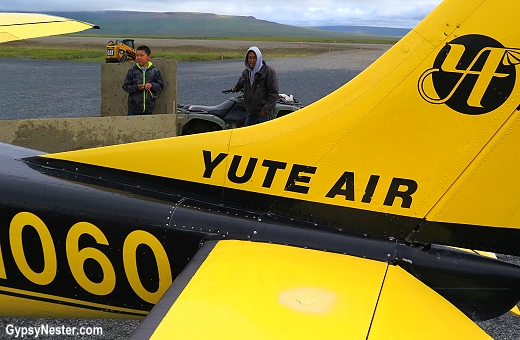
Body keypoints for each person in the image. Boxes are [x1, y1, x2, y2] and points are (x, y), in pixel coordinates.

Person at [232, 46, 279, 126]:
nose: (252, 60)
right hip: (251, 114)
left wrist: (265, 110)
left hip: (263, 115)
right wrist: (235, 88)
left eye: (254, 58)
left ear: (259, 58)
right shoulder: (247, 73)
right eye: (250, 58)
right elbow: (241, 83)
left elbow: (274, 93)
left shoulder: (268, 72)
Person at [122, 45, 164, 115]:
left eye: (141, 55)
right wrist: (137, 87)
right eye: (137, 55)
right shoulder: (132, 71)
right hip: (133, 108)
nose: (139, 58)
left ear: (149, 57)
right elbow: (125, 86)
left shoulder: (155, 71)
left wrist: (151, 85)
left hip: (149, 108)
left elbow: (160, 85)